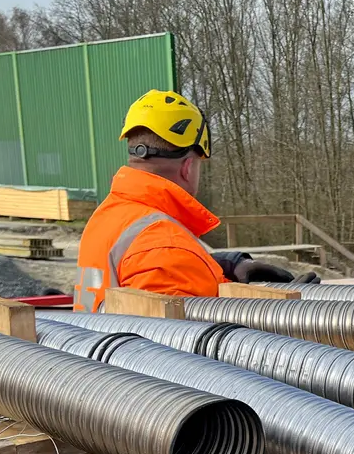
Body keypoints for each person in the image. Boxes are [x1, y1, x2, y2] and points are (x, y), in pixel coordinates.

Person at [73, 89, 309, 311]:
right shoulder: (165, 245)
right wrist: (289, 314)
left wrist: (227, 265)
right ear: (187, 167)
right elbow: (186, 348)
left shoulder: (108, 218)